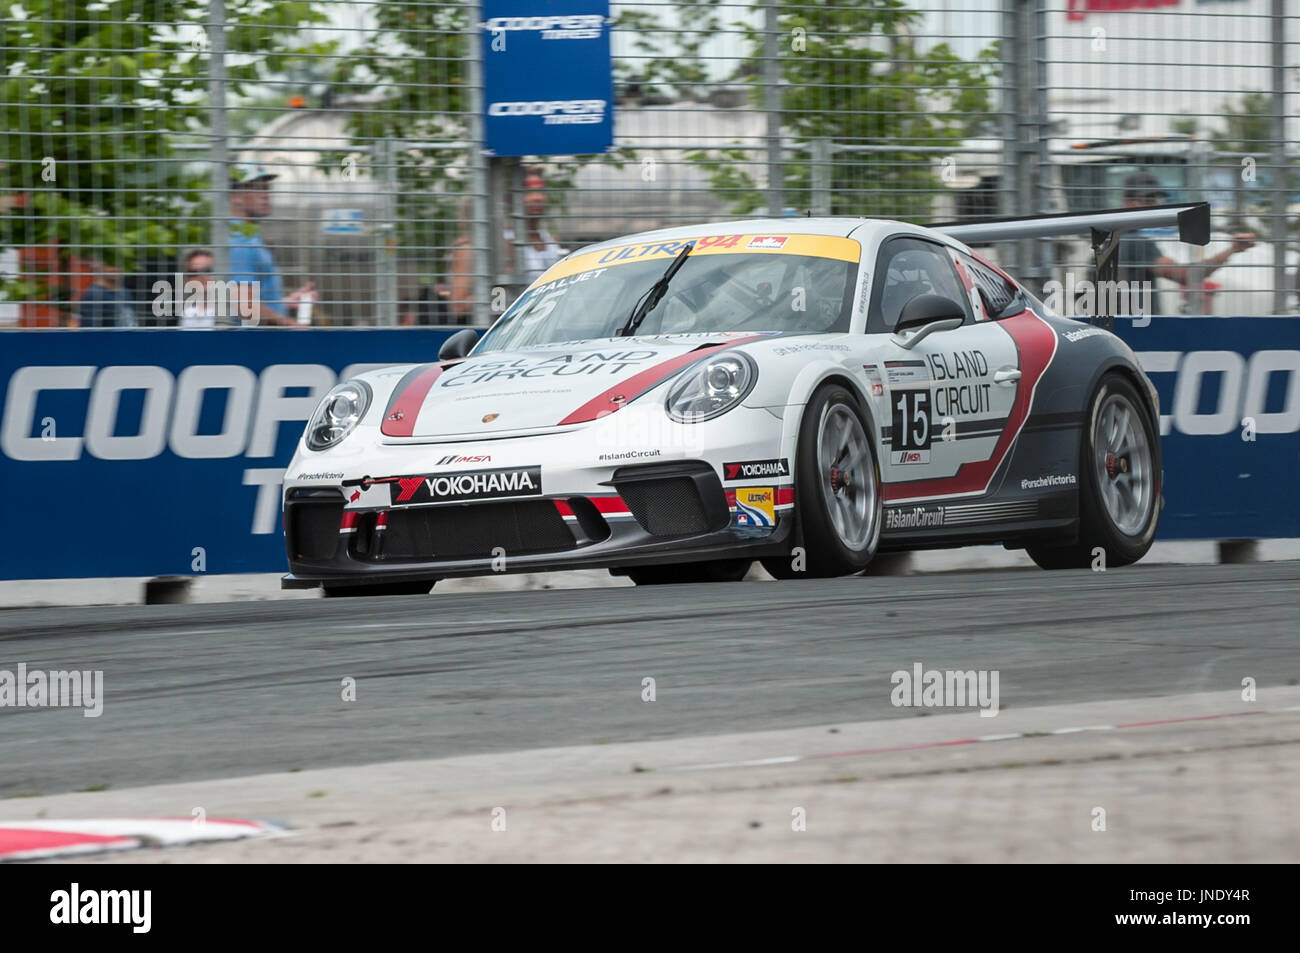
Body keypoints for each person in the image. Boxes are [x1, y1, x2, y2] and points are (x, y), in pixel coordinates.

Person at [1116, 171, 1255, 316]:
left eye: (1155, 199)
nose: (1154, 204)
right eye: (1147, 199)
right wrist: (1232, 249)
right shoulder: (1135, 242)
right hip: (1137, 329)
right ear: (1128, 202)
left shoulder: (1111, 236)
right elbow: (1186, 275)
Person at [227, 162, 315, 326]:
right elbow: (243, 306)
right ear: (235, 197)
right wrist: (291, 325)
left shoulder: (249, 237)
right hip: (254, 346)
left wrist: (284, 302)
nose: (266, 195)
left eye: (267, 188)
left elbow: (253, 299)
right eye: (257, 189)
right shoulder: (239, 241)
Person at [503, 167, 565, 286]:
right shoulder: (506, 241)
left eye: (541, 191)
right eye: (529, 192)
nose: (537, 198)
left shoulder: (549, 240)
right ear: (513, 198)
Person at [77, 258, 137, 327]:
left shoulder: (126, 292)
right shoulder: (94, 295)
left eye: (119, 264)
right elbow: (89, 331)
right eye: (109, 264)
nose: (115, 268)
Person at [178, 248, 217, 328]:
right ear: (187, 279)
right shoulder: (185, 315)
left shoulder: (232, 313)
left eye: (207, 270)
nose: (201, 276)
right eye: (194, 272)